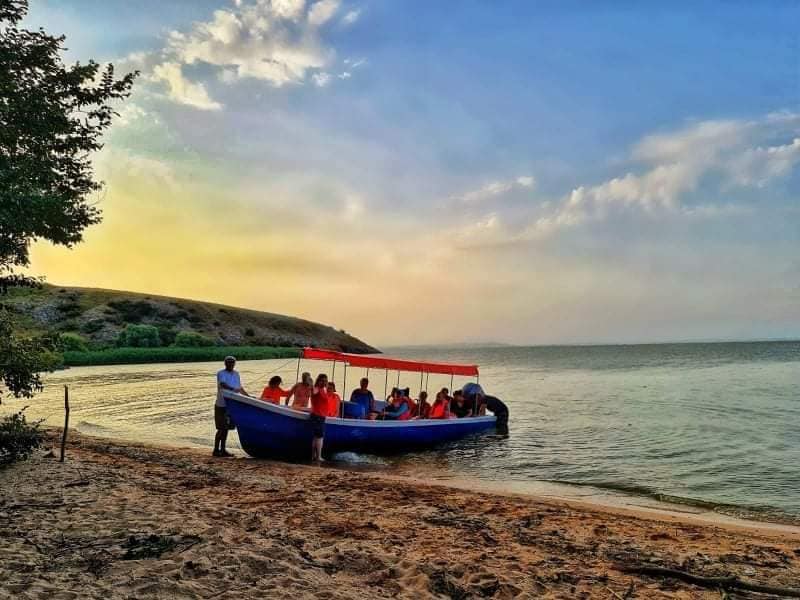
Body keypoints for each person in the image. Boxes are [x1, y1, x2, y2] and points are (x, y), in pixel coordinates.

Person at [214, 356, 248, 457]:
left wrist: (248, 397)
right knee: (221, 428)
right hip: (221, 405)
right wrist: (232, 389)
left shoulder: (236, 374)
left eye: (232, 362)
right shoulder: (221, 373)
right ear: (225, 363)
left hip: (232, 406)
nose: (230, 364)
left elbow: (240, 388)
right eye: (228, 362)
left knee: (226, 428)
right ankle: (216, 450)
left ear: (234, 363)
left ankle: (223, 450)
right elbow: (222, 384)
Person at [309, 373, 329, 461]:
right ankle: (318, 456)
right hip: (318, 416)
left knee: (316, 437)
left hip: (319, 415)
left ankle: (313, 456)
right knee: (320, 437)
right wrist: (311, 385)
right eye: (322, 380)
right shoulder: (317, 388)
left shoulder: (323, 389)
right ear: (319, 381)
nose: (324, 382)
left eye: (325, 381)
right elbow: (314, 392)